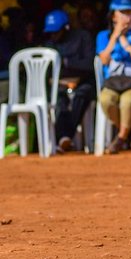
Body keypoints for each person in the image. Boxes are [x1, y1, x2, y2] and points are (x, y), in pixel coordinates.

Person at [96, 0, 131, 154]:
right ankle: (129, 134)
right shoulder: (102, 36)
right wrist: (114, 36)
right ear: (113, 16)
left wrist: (123, 38)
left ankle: (120, 139)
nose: (129, 17)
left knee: (127, 101)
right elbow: (104, 59)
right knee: (106, 100)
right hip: (112, 83)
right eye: (124, 12)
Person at [42, 9, 95, 152]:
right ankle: (63, 138)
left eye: (56, 31)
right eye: (51, 32)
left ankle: (64, 136)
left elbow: (90, 64)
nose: (53, 35)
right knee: (59, 99)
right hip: (59, 85)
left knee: (81, 94)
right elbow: (46, 73)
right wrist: (60, 82)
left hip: (83, 82)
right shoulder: (49, 45)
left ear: (66, 28)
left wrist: (67, 63)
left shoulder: (83, 37)